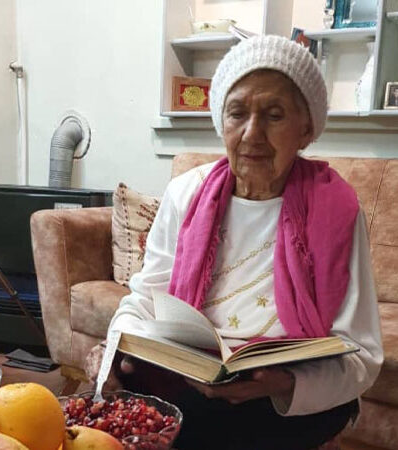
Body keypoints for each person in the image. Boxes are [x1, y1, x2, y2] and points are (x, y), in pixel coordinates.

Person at [87, 35, 383, 449]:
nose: (252, 134)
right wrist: (115, 345)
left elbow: (360, 352)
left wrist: (283, 383)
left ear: (306, 130)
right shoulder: (186, 193)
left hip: (281, 392)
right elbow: (145, 299)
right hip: (189, 372)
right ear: (221, 121)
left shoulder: (337, 208)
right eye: (238, 113)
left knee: (219, 421)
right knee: (128, 379)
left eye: (274, 116)